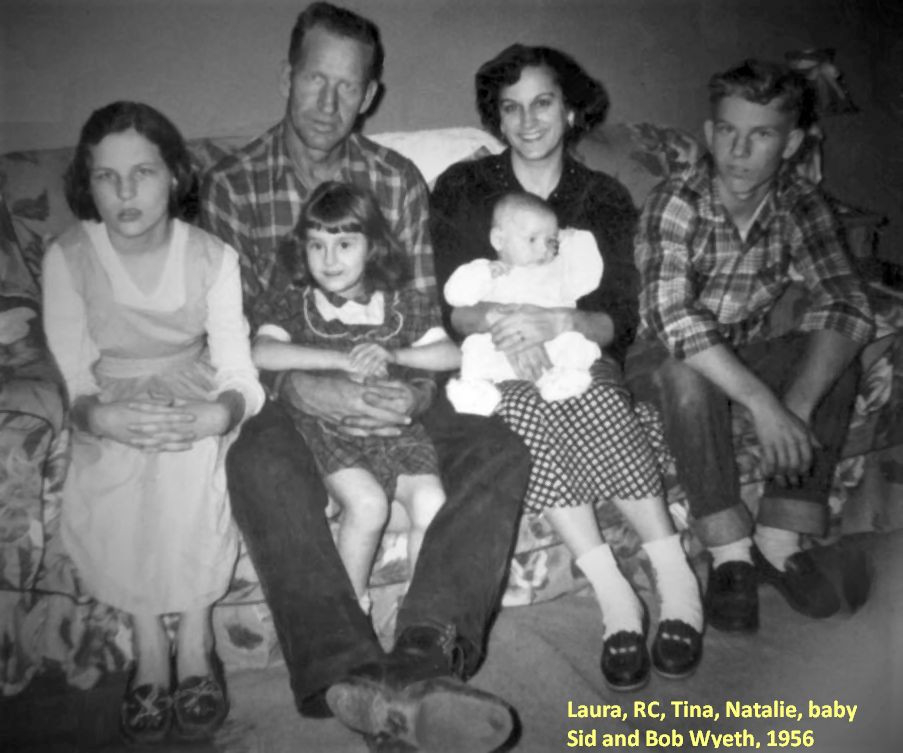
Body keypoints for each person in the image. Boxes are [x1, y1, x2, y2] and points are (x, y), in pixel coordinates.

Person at [199, 4, 526, 750]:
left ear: (370, 95)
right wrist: (304, 387)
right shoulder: (231, 186)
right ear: (287, 76)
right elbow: (233, 336)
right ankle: (342, 665)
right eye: (315, 80)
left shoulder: (397, 180)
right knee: (255, 459)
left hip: (395, 382)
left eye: (347, 87)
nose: (328, 102)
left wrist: (406, 392)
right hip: (293, 389)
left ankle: (421, 654)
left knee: (497, 449)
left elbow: (419, 318)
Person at [431, 44, 704, 693]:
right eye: (510, 107)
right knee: (524, 418)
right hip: (498, 358)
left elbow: (620, 316)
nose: (528, 121)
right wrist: (509, 323)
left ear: (572, 109)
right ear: (495, 118)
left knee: (601, 402)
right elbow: (447, 303)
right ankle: (615, 595)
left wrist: (555, 324)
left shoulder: (602, 197)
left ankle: (674, 575)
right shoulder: (463, 189)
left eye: (543, 102)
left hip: (578, 350)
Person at [42, 101, 265, 744]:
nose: (124, 192)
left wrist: (215, 415)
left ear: (174, 175)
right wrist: (101, 417)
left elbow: (239, 374)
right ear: (88, 183)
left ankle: (195, 641)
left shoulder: (213, 257)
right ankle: (148, 645)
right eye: (106, 177)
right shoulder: (67, 258)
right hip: (112, 395)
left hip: (193, 386)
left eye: (141, 172)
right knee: (116, 469)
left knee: (192, 462)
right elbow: (75, 378)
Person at [626, 59, 875, 634]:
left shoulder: (801, 203)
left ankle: (778, 537)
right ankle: (731, 554)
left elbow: (846, 302)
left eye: (760, 135)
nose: (739, 152)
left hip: (742, 352)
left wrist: (797, 409)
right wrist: (766, 405)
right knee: (686, 371)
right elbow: (671, 317)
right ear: (710, 134)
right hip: (657, 359)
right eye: (728, 133)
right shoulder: (677, 199)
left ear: (790, 144)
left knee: (838, 347)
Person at [252, 180, 460, 612]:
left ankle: (418, 615)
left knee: (433, 501)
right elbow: (263, 351)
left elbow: (450, 353)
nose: (329, 259)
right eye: (316, 246)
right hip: (331, 432)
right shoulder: (295, 303)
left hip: (399, 434)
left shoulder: (404, 304)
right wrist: (339, 359)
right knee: (367, 505)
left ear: (373, 248)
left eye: (344, 244)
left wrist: (394, 351)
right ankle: (349, 613)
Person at [444, 191, 602, 414]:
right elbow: (455, 295)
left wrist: (577, 240)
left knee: (578, 343)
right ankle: (476, 390)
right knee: (475, 348)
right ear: (499, 240)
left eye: (550, 241)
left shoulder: (558, 271)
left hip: (552, 349)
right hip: (501, 348)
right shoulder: (490, 270)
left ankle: (564, 380)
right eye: (532, 239)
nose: (542, 249)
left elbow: (588, 280)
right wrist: (483, 273)